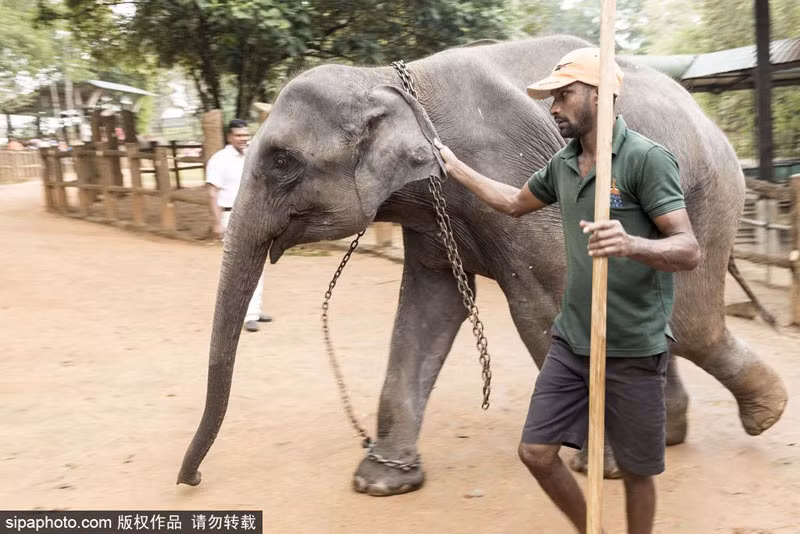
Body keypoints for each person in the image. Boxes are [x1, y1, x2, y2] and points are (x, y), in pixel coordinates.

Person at [435, 47, 700, 534]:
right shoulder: (563, 164)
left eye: (563, 95)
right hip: (573, 339)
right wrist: (455, 168)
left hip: (633, 344)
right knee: (536, 452)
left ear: (599, 96)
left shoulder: (645, 160)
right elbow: (514, 203)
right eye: (551, 97)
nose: (553, 107)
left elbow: (688, 249)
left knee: (637, 471)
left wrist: (631, 244)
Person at [206, 119, 273, 332]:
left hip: (254, 216)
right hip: (231, 217)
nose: (243, 139)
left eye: (246, 135)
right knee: (240, 266)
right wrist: (217, 223)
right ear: (229, 137)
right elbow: (212, 192)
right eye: (238, 136)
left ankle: (254, 310)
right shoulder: (219, 159)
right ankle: (243, 315)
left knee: (258, 264)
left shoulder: (253, 156)